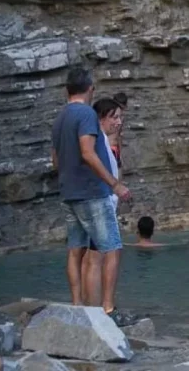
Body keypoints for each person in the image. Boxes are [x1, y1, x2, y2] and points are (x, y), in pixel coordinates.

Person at [51, 66, 131, 324]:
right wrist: (114, 184)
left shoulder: (60, 117)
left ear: (66, 90)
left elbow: (55, 160)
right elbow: (88, 153)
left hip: (69, 193)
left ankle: (78, 306)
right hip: (92, 193)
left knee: (76, 250)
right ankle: (108, 310)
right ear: (90, 89)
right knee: (111, 250)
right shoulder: (86, 114)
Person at [82, 97, 124, 307]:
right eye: (114, 117)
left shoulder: (102, 141)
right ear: (101, 118)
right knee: (108, 254)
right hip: (102, 202)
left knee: (92, 256)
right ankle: (106, 308)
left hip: (98, 202)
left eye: (120, 117)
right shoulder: (98, 142)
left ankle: (92, 306)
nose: (118, 122)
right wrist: (114, 189)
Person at [111, 92, 128, 168]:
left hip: (115, 149)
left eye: (120, 108)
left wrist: (120, 153)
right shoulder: (106, 116)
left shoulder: (121, 118)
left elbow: (119, 135)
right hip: (109, 148)